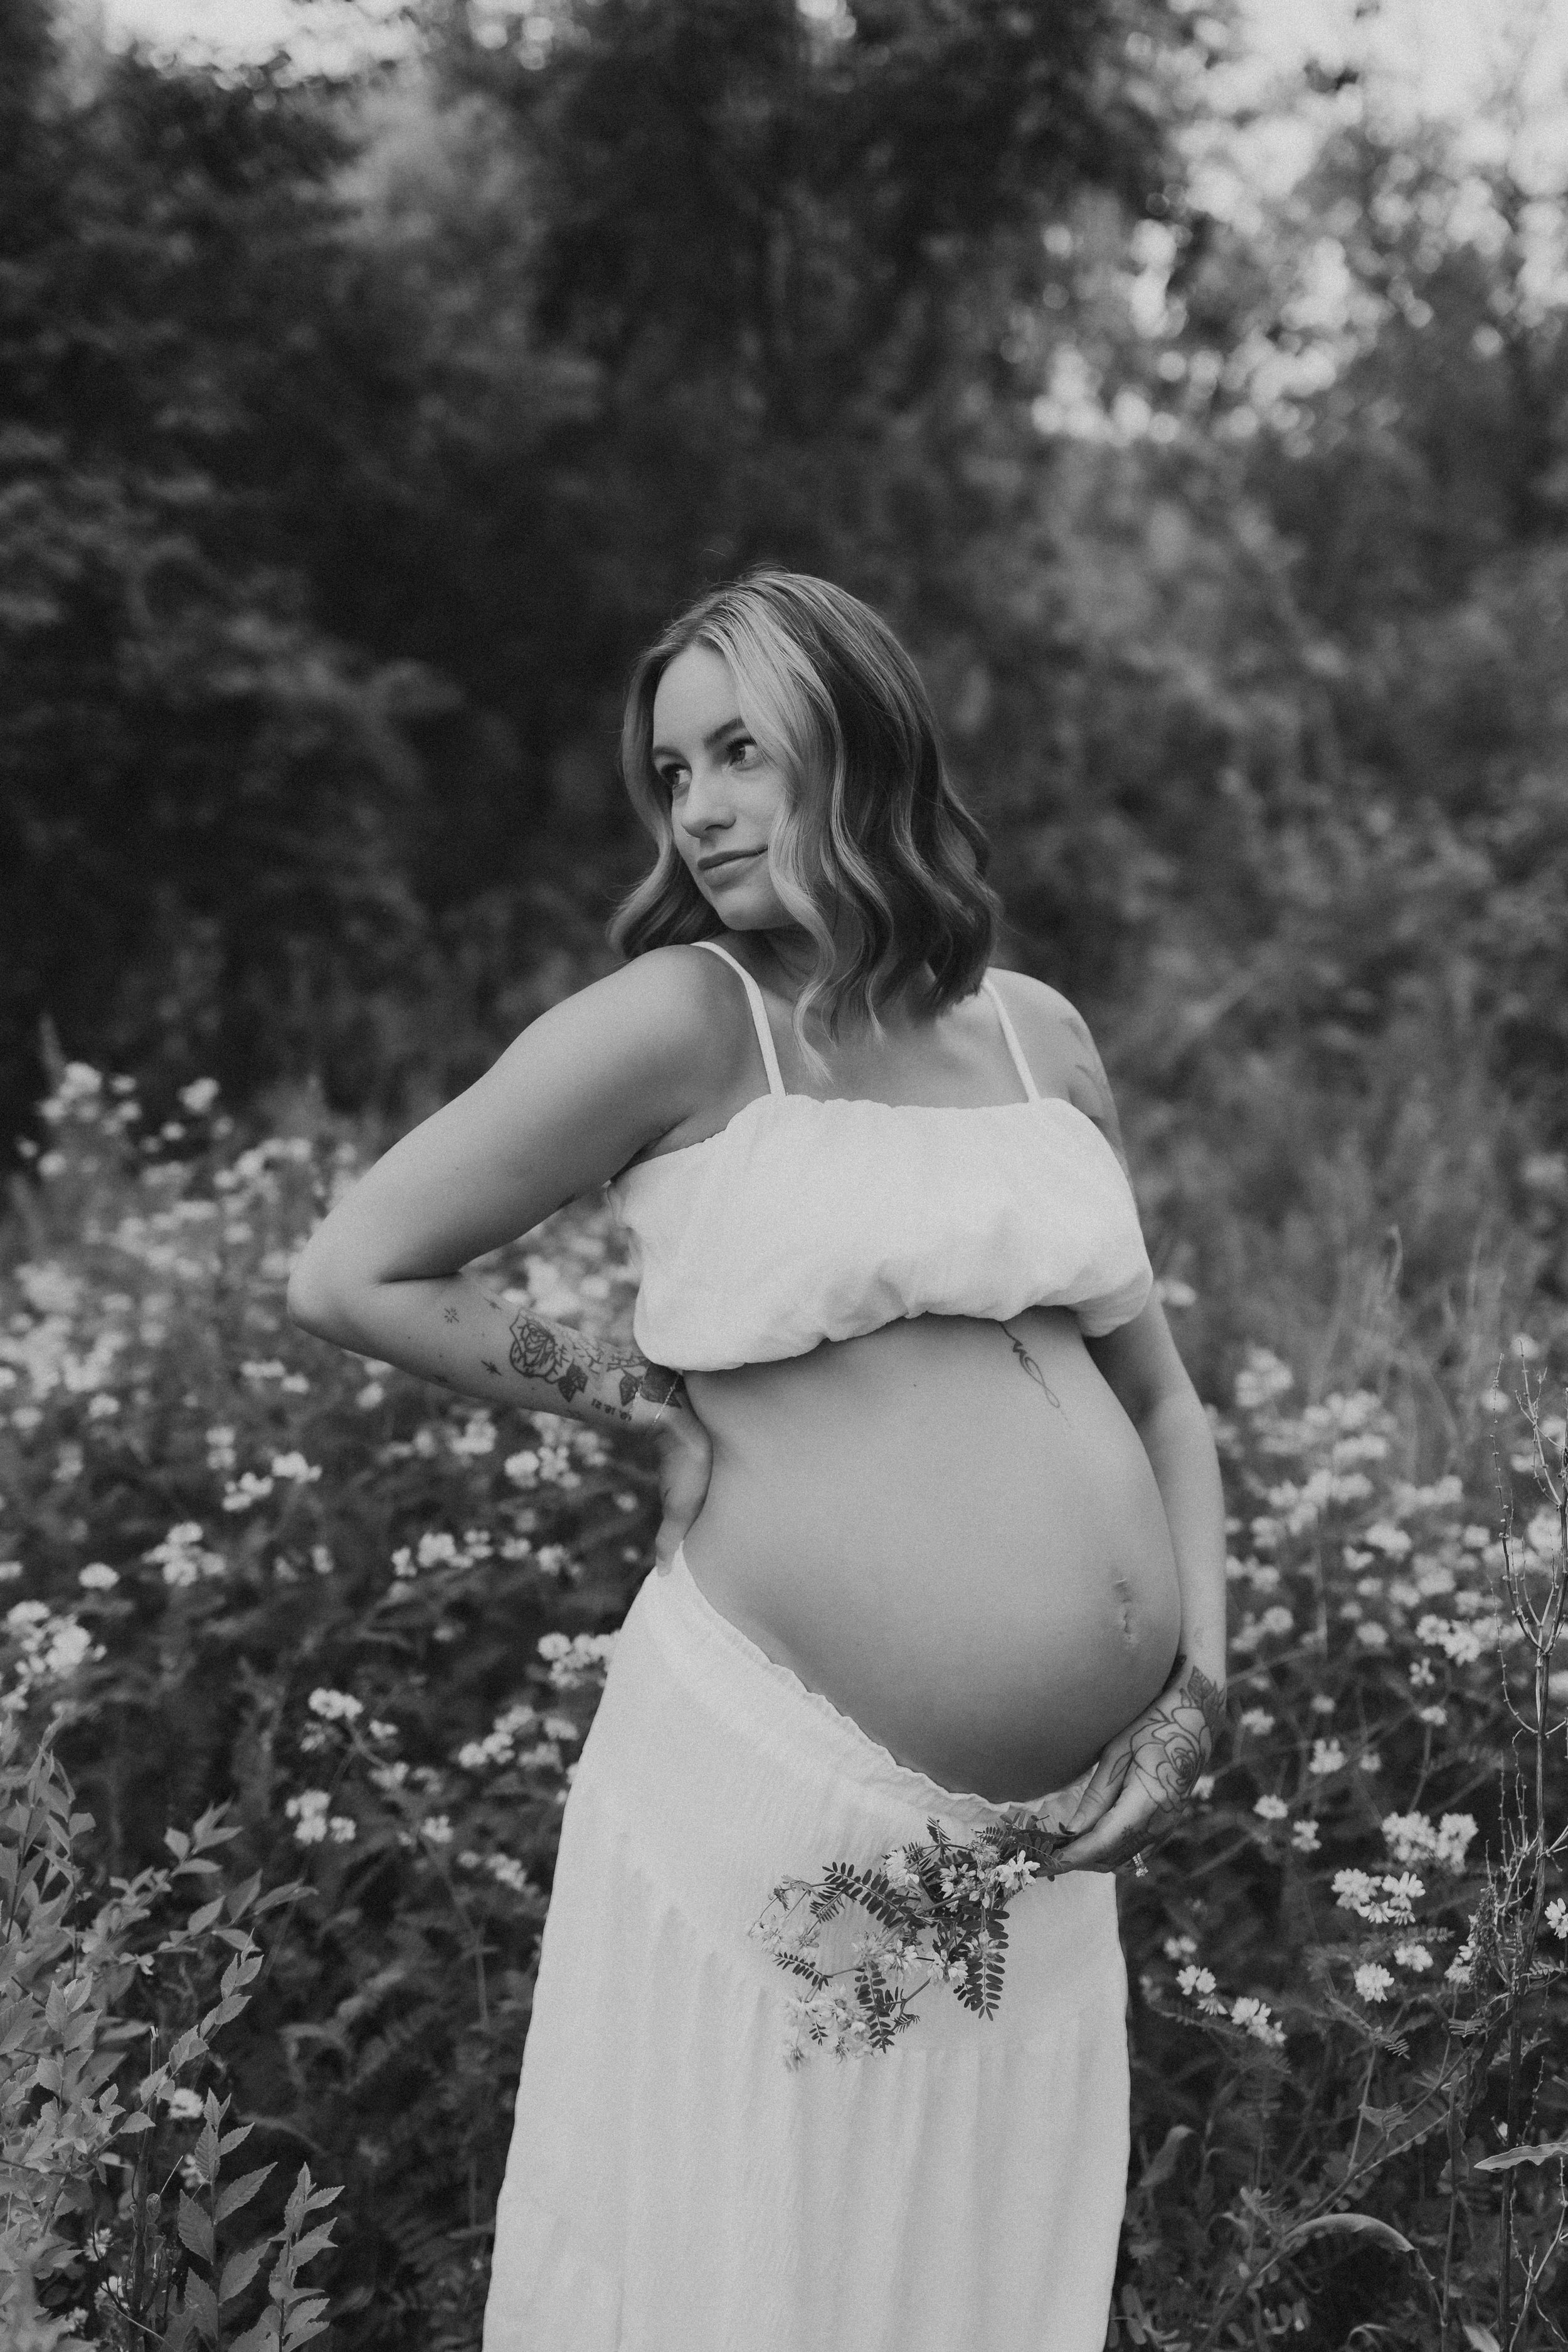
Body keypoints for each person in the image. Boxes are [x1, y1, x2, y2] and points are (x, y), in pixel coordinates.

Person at [287, 569, 1227, 2352]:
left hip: (1041, 1855)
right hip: (789, 1788)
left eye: (741, 752)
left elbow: (1166, 1408)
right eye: (671, 771)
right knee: (754, 2260)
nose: (700, 807)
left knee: (964, 2275)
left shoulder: (1041, 1038)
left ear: (859, 751)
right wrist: (630, 1407)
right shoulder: (684, 1020)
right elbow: (353, 1267)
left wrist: (1196, 1693)